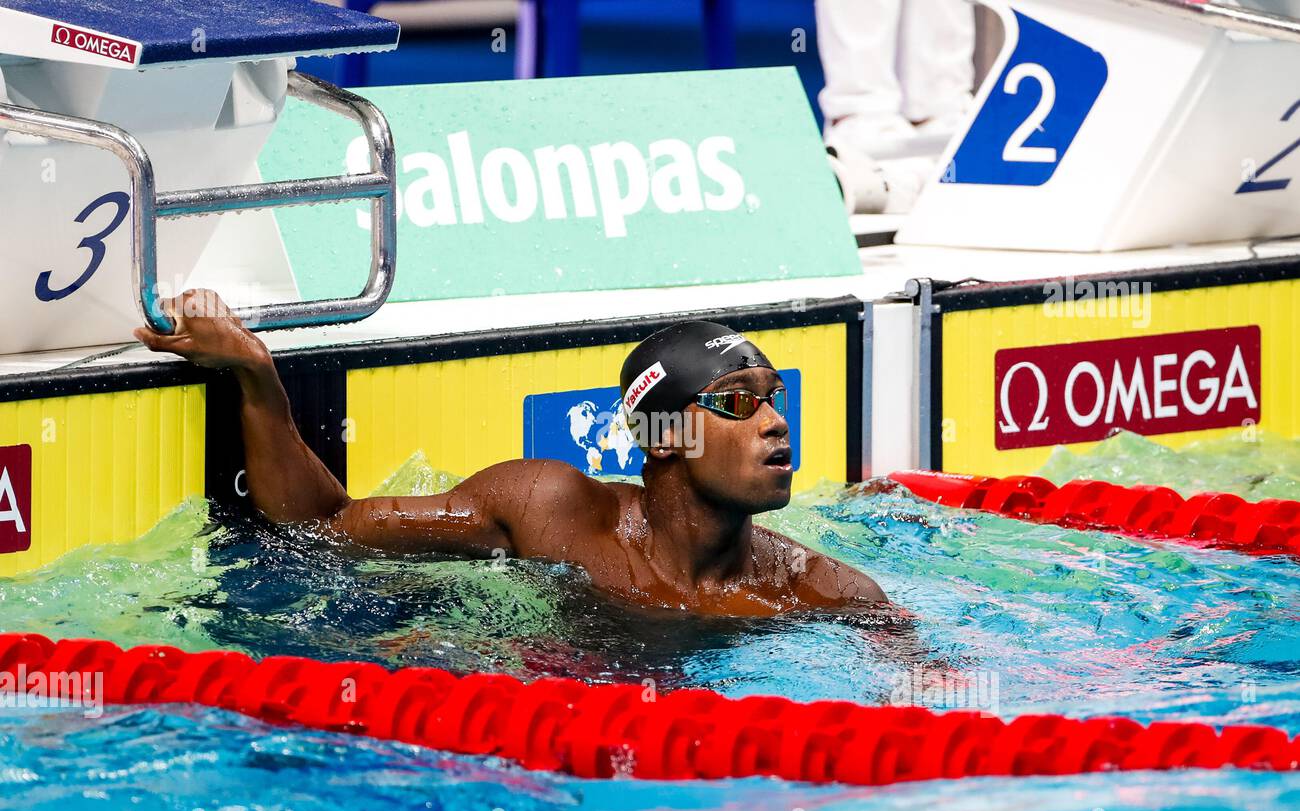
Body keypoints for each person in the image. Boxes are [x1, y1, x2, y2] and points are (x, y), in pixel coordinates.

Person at [134, 290, 888, 617]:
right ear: (664, 436)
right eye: (733, 401)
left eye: (775, 396)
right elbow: (324, 528)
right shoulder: (550, 511)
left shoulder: (819, 592)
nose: (774, 423)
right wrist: (256, 373)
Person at [816, 0, 976, 214]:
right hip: (866, 129)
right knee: (862, 94)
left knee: (942, 95)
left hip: (945, 116)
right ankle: (859, 116)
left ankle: (935, 118)